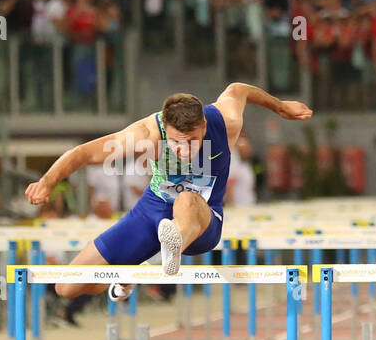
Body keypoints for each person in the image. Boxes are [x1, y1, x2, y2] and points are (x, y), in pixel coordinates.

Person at [24, 85, 312, 301]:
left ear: (204, 126)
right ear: (165, 128)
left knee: (187, 198)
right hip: (152, 212)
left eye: (192, 142)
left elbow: (239, 90)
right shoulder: (147, 133)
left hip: (202, 221)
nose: (184, 151)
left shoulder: (226, 121)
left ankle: (172, 246)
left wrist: (280, 107)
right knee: (67, 287)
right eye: (176, 143)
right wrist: (48, 181)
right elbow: (84, 153)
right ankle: (127, 274)